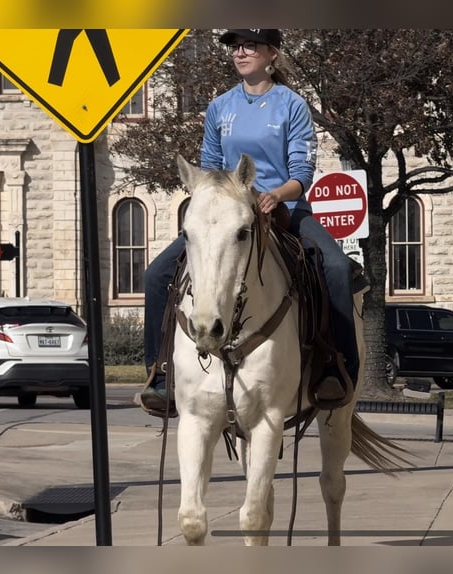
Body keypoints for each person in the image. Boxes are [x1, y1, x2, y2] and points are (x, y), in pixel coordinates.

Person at [142, 29, 358, 415]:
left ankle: (335, 367)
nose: (240, 53)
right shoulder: (220, 107)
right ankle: (161, 375)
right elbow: (209, 169)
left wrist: (277, 194)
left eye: (250, 46)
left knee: (338, 267)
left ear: (272, 54)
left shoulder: (291, 105)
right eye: (235, 47)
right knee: (156, 275)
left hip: (285, 211)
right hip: (229, 216)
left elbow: (302, 172)